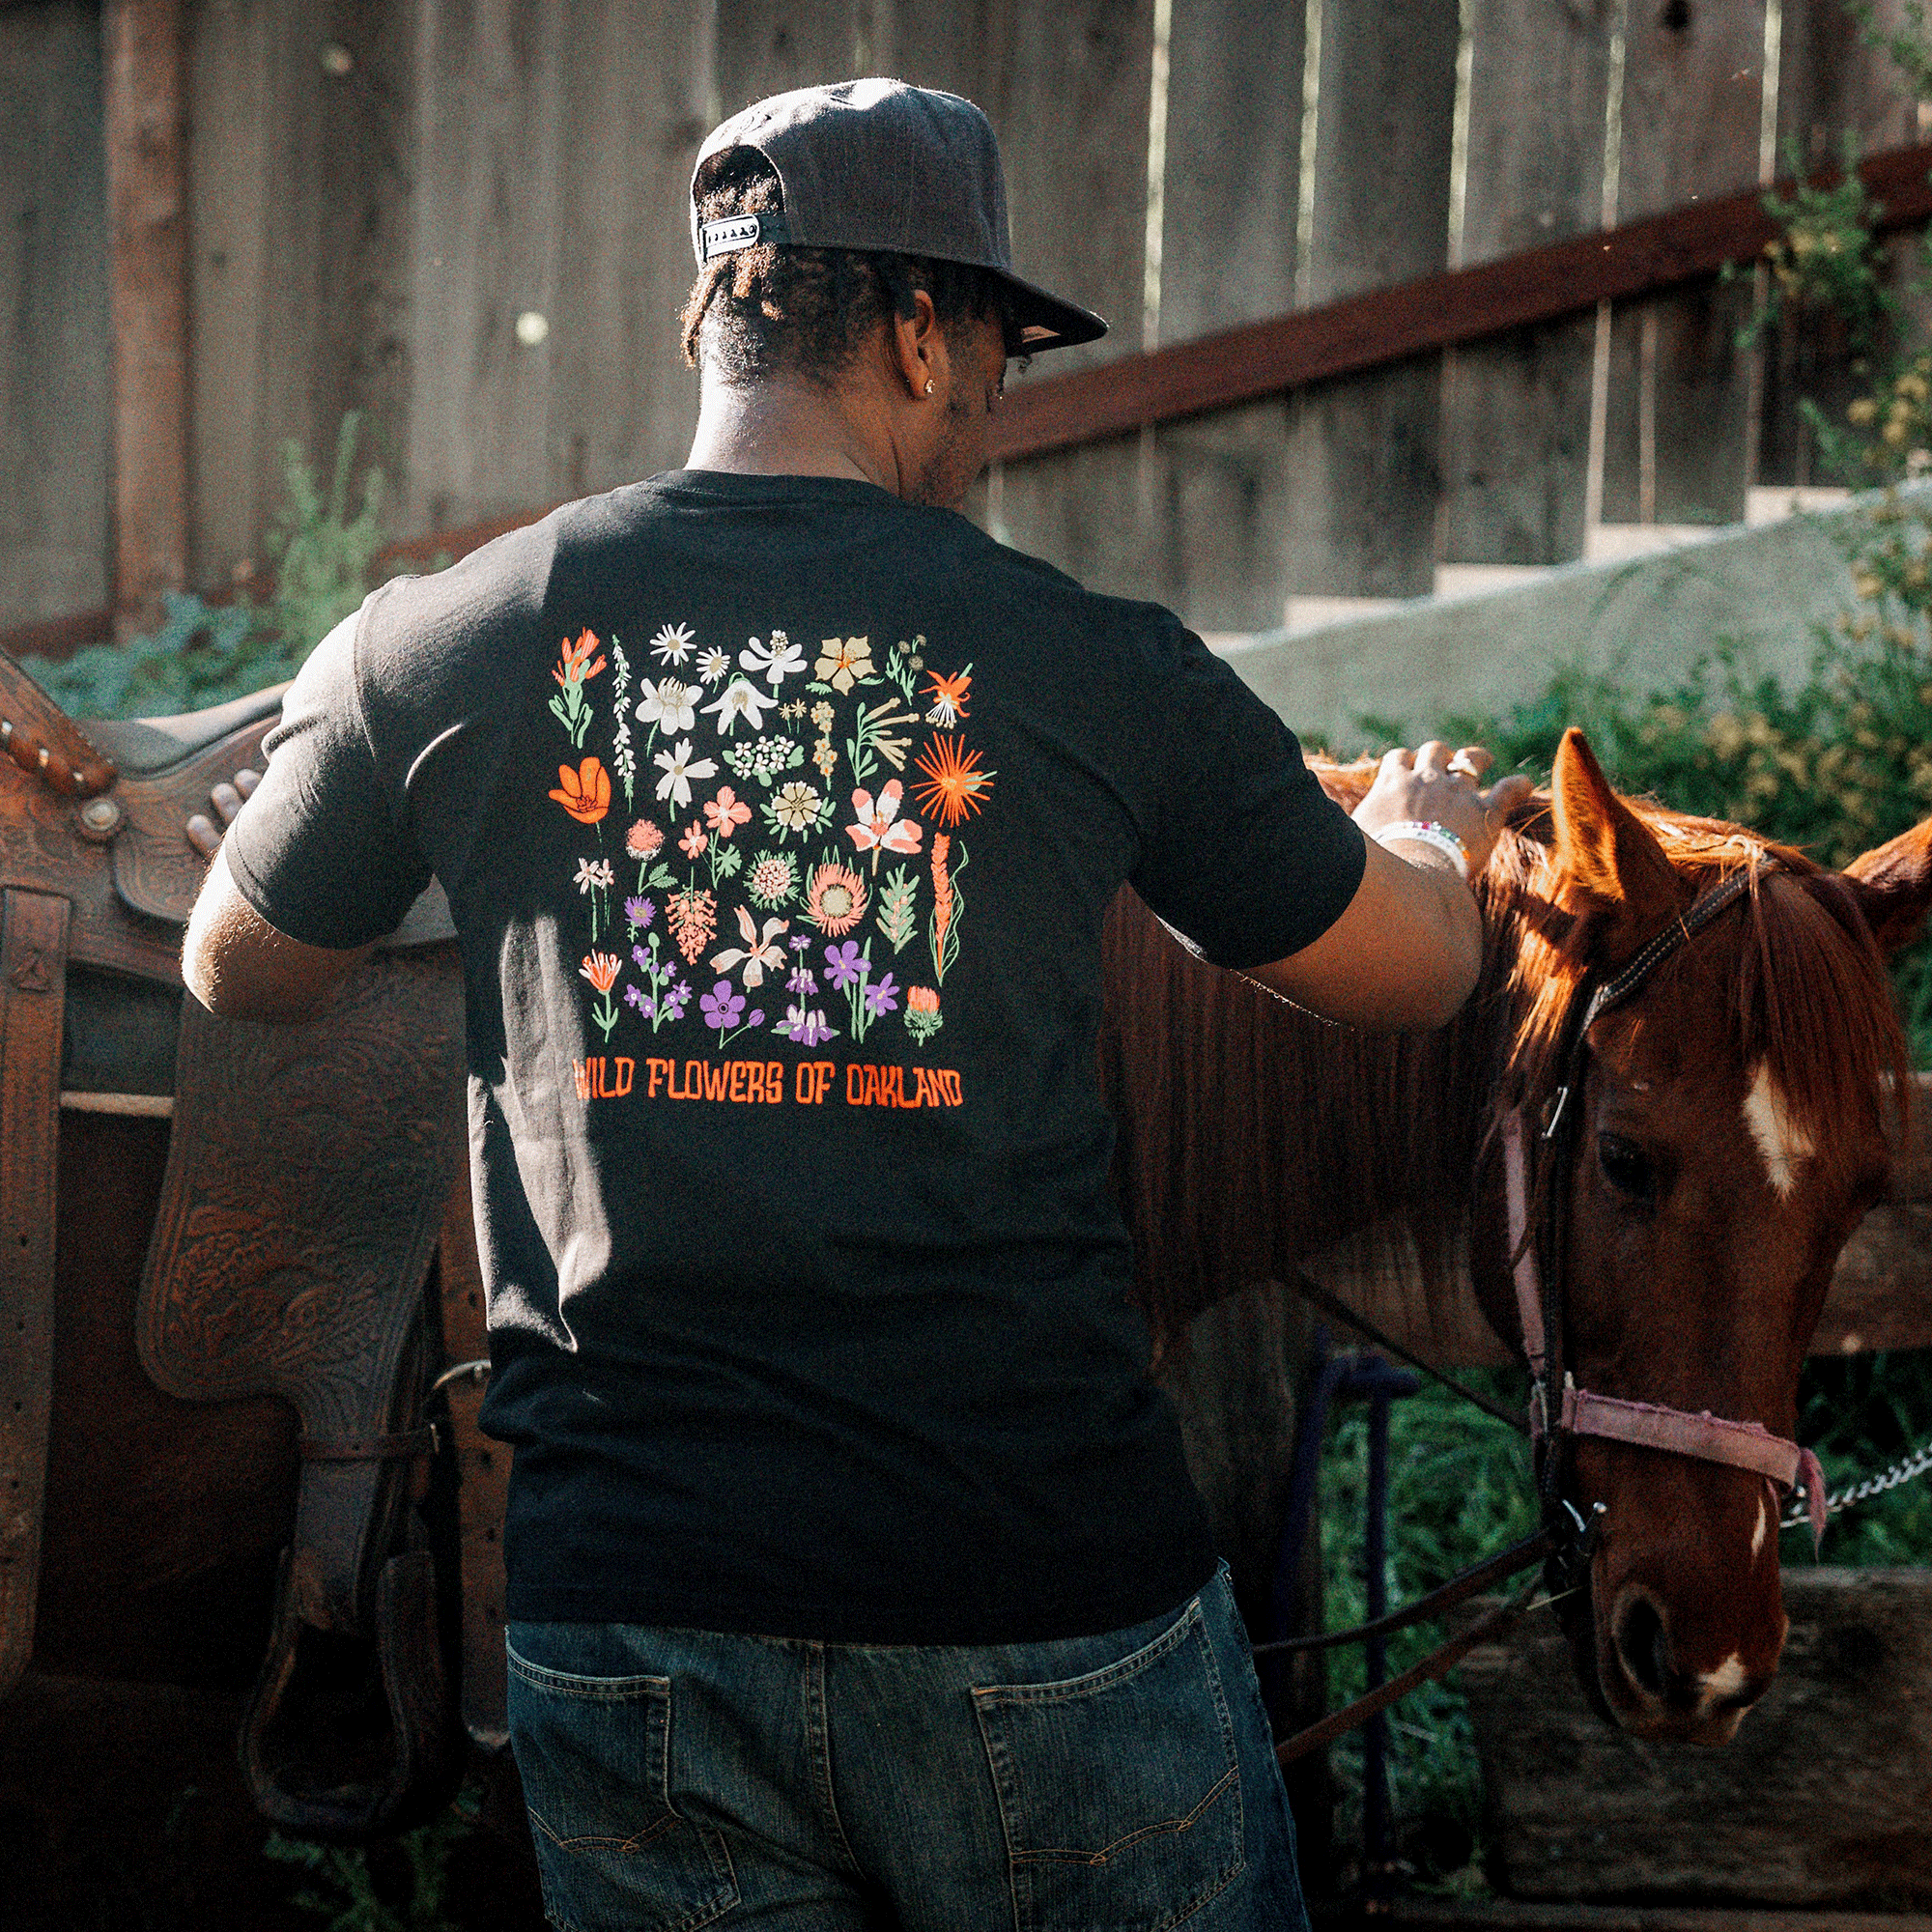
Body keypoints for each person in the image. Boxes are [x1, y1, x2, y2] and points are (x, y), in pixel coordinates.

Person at [185, 77, 1526, 1932]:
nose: (996, 406)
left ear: (718, 321)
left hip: (631, 1623)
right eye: (994, 354)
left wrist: (388, 755)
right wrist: (1433, 839)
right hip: (1037, 1610)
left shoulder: (447, 642)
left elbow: (237, 968)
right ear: (915, 329)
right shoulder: (1094, 661)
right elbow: (1416, 974)